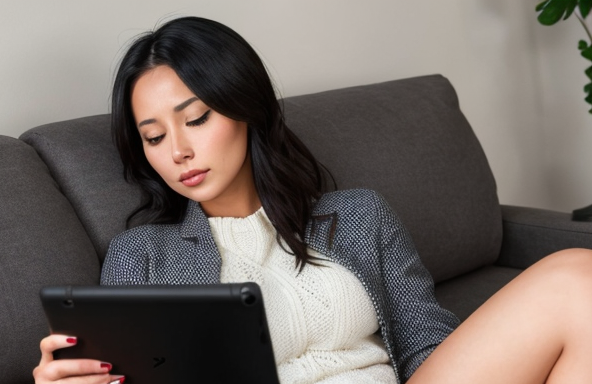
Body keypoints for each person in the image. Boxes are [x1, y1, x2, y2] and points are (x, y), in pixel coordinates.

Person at [33, 16, 592, 384]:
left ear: (245, 108)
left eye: (196, 118)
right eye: (153, 137)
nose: (177, 150)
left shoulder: (358, 216)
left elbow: (426, 343)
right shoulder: (143, 258)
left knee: (576, 278)